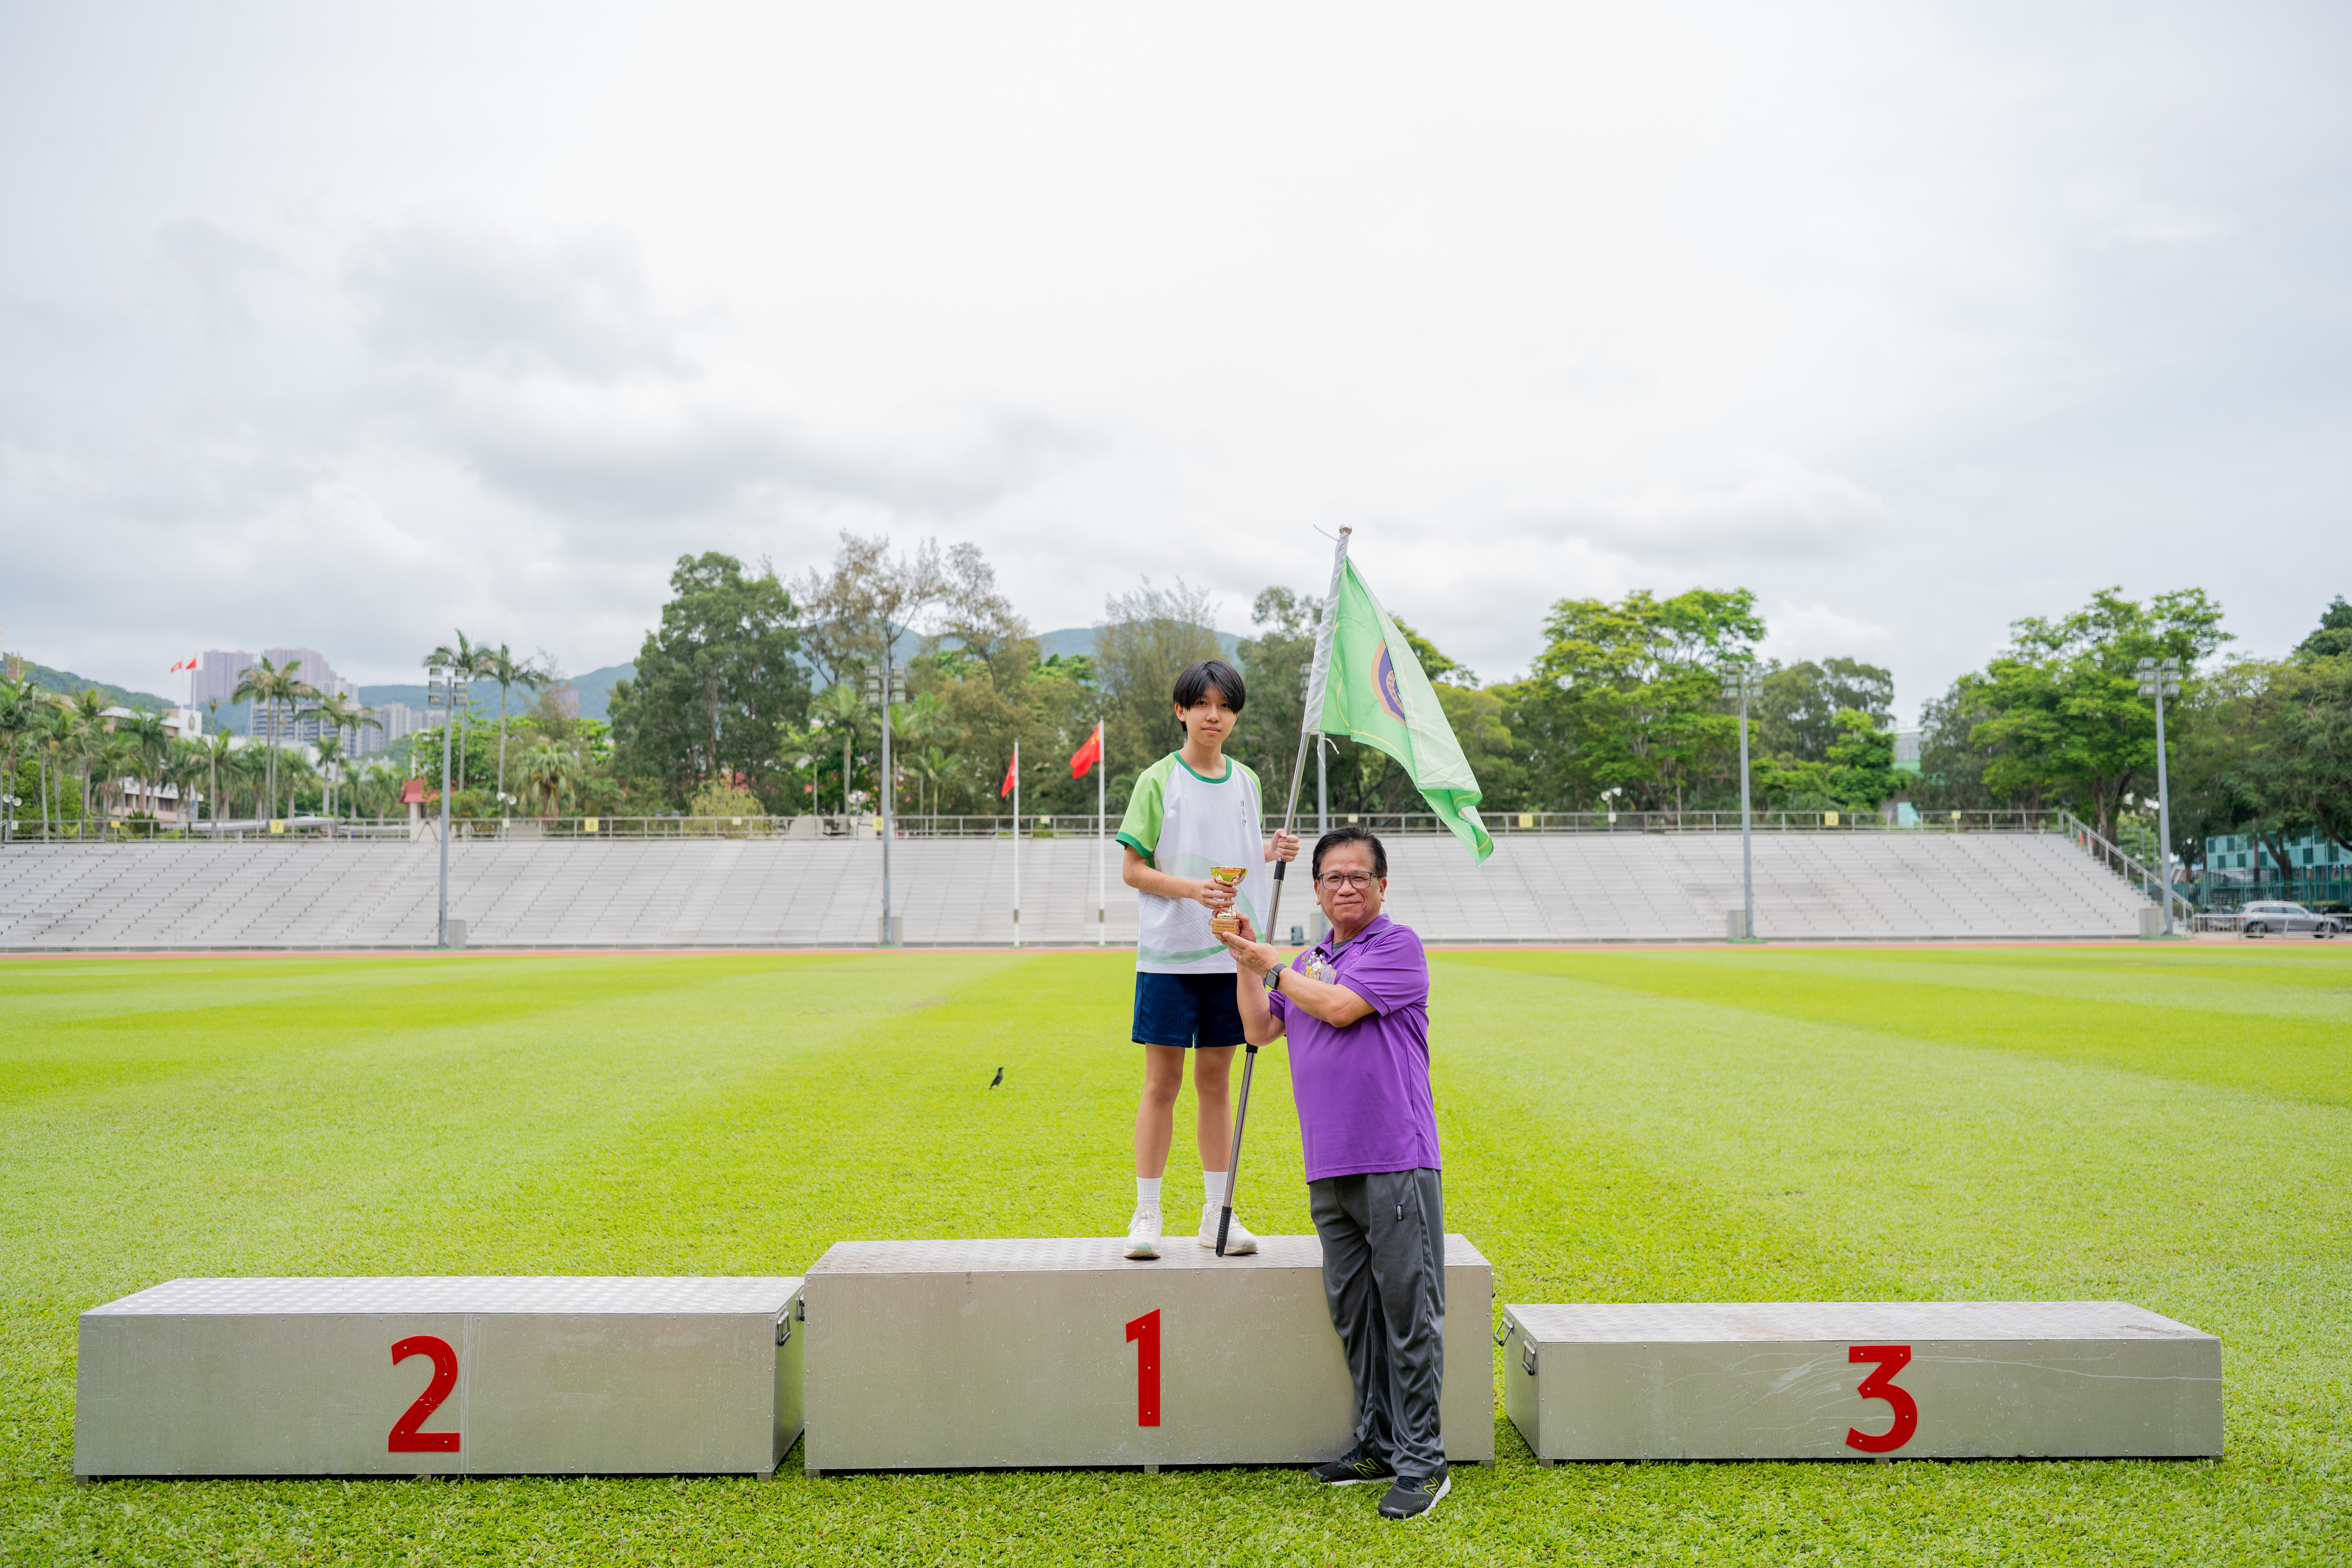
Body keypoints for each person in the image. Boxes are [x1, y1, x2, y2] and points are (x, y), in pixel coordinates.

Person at [1222, 825, 1449, 1521]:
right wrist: (1245, 959)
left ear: (1382, 885)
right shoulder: (1309, 958)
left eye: (1359, 876)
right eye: (1333, 878)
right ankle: (1378, 1442)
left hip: (1396, 1158)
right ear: (1317, 890)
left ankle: (1423, 1462)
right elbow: (1260, 1029)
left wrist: (1271, 966)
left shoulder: (1397, 946)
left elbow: (1343, 1009)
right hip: (1330, 1164)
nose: (1345, 887)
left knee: (1409, 1315)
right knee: (1357, 1316)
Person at [1115, 658, 1299, 1260]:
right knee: (1162, 1084)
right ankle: (1146, 1214)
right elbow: (1134, 869)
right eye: (1202, 705)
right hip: (1170, 956)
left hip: (1234, 956)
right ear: (1181, 711)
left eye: (1225, 706)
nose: (1213, 716)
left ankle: (1218, 1213)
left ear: (1235, 715)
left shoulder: (1247, 781)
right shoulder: (1158, 780)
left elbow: (1235, 854)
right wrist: (1192, 889)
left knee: (1217, 1085)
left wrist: (1271, 850)